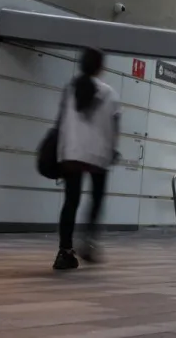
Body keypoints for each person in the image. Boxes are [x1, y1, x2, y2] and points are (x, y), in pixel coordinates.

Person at [53, 48, 121, 270]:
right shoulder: (109, 93)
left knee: (70, 202)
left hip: (72, 154)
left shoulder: (70, 89)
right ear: (100, 67)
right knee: (96, 199)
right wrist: (112, 150)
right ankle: (89, 242)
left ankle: (64, 251)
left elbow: (61, 123)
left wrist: (62, 153)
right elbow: (114, 126)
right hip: (98, 156)